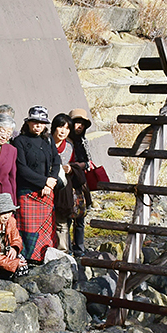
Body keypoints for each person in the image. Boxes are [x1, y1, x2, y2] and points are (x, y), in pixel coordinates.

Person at [13, 106, 60, 263]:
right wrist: (44, 181)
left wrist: (51, 181)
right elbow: (22, 168)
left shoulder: (48, 140)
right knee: (27, 229)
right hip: (27, 192)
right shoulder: (19, 141)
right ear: (28, 123)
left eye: (42, 122)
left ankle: (44, 257)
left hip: (47, 191)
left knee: (46, 230)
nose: (38, 125)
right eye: (35, 122)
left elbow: (56, 161)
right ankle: (26, 260)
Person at [52, 113, 87, 256]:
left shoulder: (71, 146)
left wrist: (72, 167)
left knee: (66, 221)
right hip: (48, 185)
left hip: (65, 188)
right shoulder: (46, 144)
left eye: (67, 128)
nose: (63, 131)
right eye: (61, 127)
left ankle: (66, 252)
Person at [67, 108, 96, 254]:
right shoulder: (65, 142)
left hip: (80, 184)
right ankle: (66, 247)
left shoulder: (83, 141)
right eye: (76, 123)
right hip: (67, 183)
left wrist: (83, 165)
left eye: (82, 124)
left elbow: (88, 161)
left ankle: (79, 247)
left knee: (80, 216)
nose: (79, 126)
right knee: (67, 215)